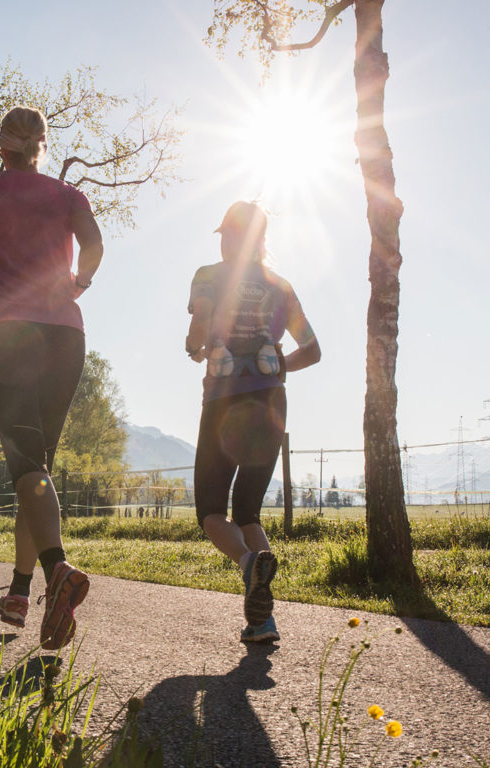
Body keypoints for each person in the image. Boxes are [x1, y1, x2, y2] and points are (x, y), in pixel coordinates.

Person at [0, 105, 103, 651]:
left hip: (9, 335)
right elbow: (96, 246)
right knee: (37, 472)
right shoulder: (66, 195)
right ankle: (18, 590)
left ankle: (58, 571)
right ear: (41, 146)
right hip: (65, 335)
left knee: (27, 466)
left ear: (2, 147)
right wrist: (77, 283)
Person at [186, 201, 320, 643]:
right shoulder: (281, 287)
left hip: (226, 405)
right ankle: (262, 621)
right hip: (271, 404)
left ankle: (248, 566)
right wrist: (278, 364)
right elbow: (313, 350)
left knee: (210, 511)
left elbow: (200, 325)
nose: (224, 242)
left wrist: (195, 343)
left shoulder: (209, 274)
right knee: (248, 512)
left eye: (228, 234)